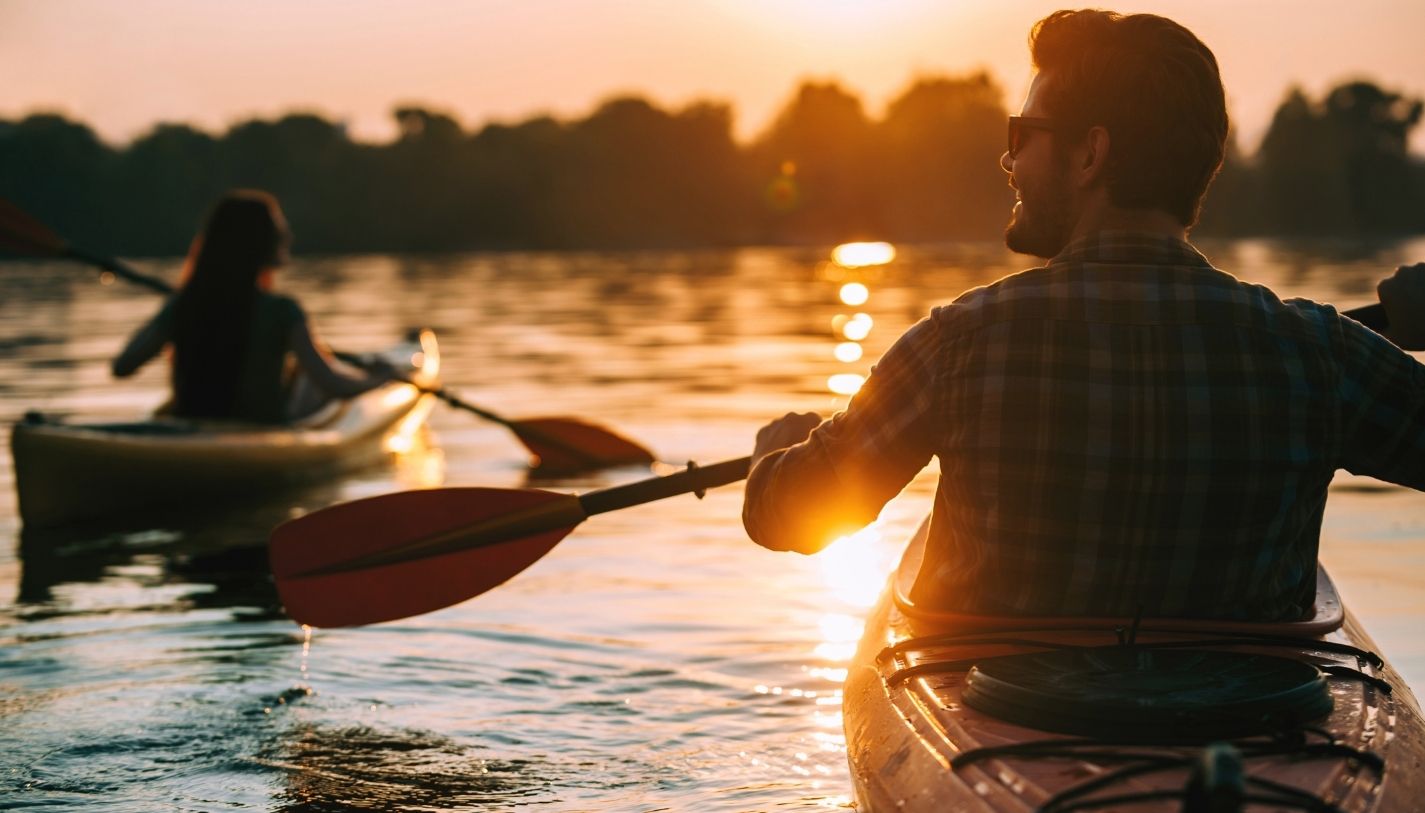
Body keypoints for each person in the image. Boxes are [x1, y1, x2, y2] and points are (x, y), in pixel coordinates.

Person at [742, 9, 1425, 621]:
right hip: (1251, 724)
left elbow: (790, 517)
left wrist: (775, 455)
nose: (1008, 159)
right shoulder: (1319, 352)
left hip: (1017, 721)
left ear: (1089, 153)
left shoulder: (957, 345)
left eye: (1024, 132)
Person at [112, 190, 396, 423]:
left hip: (190, 427)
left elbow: (123, 366)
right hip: (258, 432)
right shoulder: (283, 311)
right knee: (309, 380)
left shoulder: (185, 305)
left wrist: (174, 307)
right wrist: (381, 380)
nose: (288, 237)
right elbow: (332, 385)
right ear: (260, 243)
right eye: (278, 229)